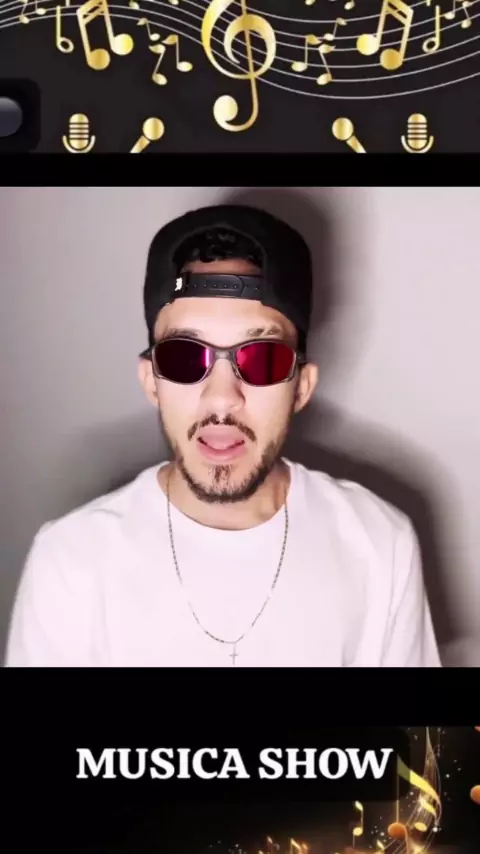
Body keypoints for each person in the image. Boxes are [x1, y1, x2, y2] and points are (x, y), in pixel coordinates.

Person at [5, 203, 441, 667]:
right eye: (184, 356)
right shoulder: (70, 560)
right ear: (152, 381)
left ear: (301, 387)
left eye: (262, 358)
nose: (221, 399)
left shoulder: (380, 544)